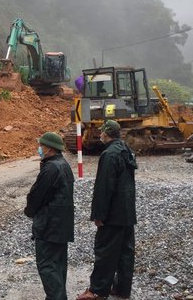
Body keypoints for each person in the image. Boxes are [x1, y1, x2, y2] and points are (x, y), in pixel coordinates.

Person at [77, 120, 137, 300]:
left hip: (113, 214)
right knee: (125, 252)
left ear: (106, 133)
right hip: (127, 212)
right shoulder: (126, 150)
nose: (100, 135)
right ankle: (122, 289)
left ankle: (97, 290)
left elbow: (104, 187)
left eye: (102, 132)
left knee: (105, 252)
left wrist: (98, 214)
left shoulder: (109, 155)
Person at [24, 132, 75, 300]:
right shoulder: (63, 165)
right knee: (59, 264)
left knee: (47, 265)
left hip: (49, 225)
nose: (39, 148)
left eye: (42, 145)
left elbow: (37, 195)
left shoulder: (51, 168)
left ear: (49, 148)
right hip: (61, 224)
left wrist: (30, 211)